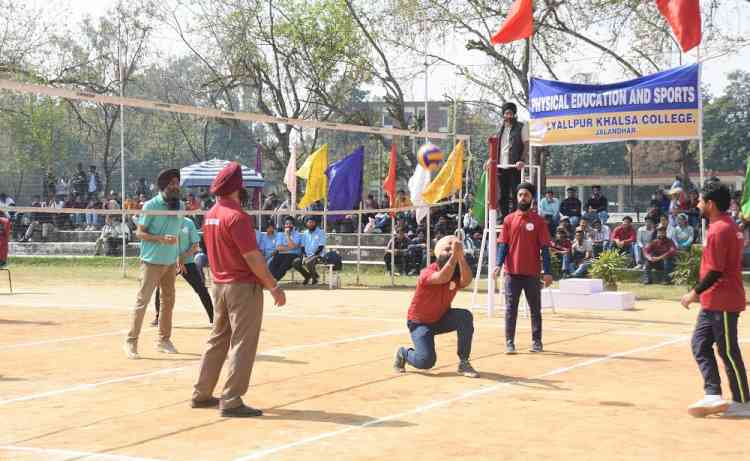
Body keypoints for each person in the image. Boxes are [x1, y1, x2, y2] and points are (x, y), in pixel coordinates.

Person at [191, 161, 286, 417]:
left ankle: (201, 392)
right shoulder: (237, 216)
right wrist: (273, 285)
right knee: (243, 341)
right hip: (242, 286)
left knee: (217, 339)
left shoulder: (211, 215)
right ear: (238, 187)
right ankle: (232, 399)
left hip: (219, 284)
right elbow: (253, 257)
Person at [680, 180, 750, 418]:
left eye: (700, 200)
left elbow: (716, 270)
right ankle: (713, 394)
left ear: (710, 204)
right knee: (700, 344)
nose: (697, 204)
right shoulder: (721, 225)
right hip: (713, 300)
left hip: (723, 299)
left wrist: (693, 293)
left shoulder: (721, 229)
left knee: (728, 350)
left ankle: (743, 401)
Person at [393, 235, 479, 378]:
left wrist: (461, 258)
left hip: (441, 318)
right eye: (447, 250)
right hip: (420, 323)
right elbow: (442, 277)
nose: (452, 252)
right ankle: (403, 353)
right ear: (438, 254)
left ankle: (464, 362)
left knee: (464, 316)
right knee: (426, 362)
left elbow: (467, 281)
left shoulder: (456, 274)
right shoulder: (427, 272)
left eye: (455, 250)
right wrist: (454, 257)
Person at [124, 169, 184, 359]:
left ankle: (164, 340)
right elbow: (139, 233)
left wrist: (179, 257)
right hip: (151, 262)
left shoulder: (180, 205)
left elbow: (178, 233)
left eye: (177, 183)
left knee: (168, 302)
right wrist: (160, 239)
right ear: (164, 186)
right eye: (172, 183)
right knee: (143, 302)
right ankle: (131, 342)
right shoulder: (151, 205)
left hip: (170, 262)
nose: (175, 186)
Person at [493, 182, 553, 354]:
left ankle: (537, 342)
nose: (522, 197)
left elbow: (545, 249)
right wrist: (498, 265)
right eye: (520, 195)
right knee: (511, 309)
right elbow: (503, 245)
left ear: (531, 198)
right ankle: (510, 342)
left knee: (535, 309)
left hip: (532, 273)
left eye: (526, 195)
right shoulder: (509, 220)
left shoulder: (539, 221)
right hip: (512, 273)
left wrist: (547, 272)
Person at [152, 216, 214, 327]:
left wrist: (183, 257)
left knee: (201, 289)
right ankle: (158, 318)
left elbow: (195, 244)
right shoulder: (166, 222)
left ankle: (213, 318)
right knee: (160, 288)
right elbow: (162, 243)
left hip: (188, 262)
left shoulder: (189, 223)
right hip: (169, 262)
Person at [495, 102, 529, 219]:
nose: (508, 116)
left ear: (514, 115)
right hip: (501, 166)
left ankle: (516, 217)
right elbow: (495, 147)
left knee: (516, 193)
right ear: (503, 115)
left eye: (510, 113)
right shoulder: (500, 129)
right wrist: (491, 160)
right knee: (502, 195)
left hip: (515, 166)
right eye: (506, 113)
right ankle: (505, 218)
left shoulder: (521, 126)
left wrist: (522, 160)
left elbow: (526, 144)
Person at [293, 216, 327, 285]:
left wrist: (312, 256)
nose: (311, 224)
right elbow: (302, 246)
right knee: (295, 262)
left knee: (308, 261)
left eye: (312, 222)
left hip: (318, 255)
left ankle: (315, 278)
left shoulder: (321, 232)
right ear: (306, 224)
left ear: (315, 223)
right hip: (307, 256)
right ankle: (308, 276)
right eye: (309, 222)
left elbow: (321, 247)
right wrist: (305, 255)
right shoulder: (304, 233)